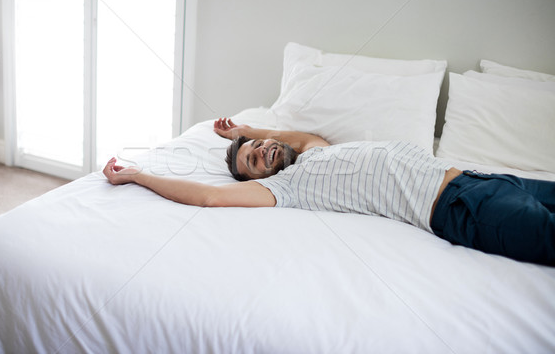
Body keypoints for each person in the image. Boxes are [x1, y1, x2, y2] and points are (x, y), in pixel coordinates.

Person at [103, 118, 555, 266]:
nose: (263, 151)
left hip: (483, 180)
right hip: (460, 208)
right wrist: (139, 175)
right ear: (258, 179)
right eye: (253, 160)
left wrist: (242, 132)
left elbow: (293, 137)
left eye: (261, 146)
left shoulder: (316, 151)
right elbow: (209, 197)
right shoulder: (288, 189)